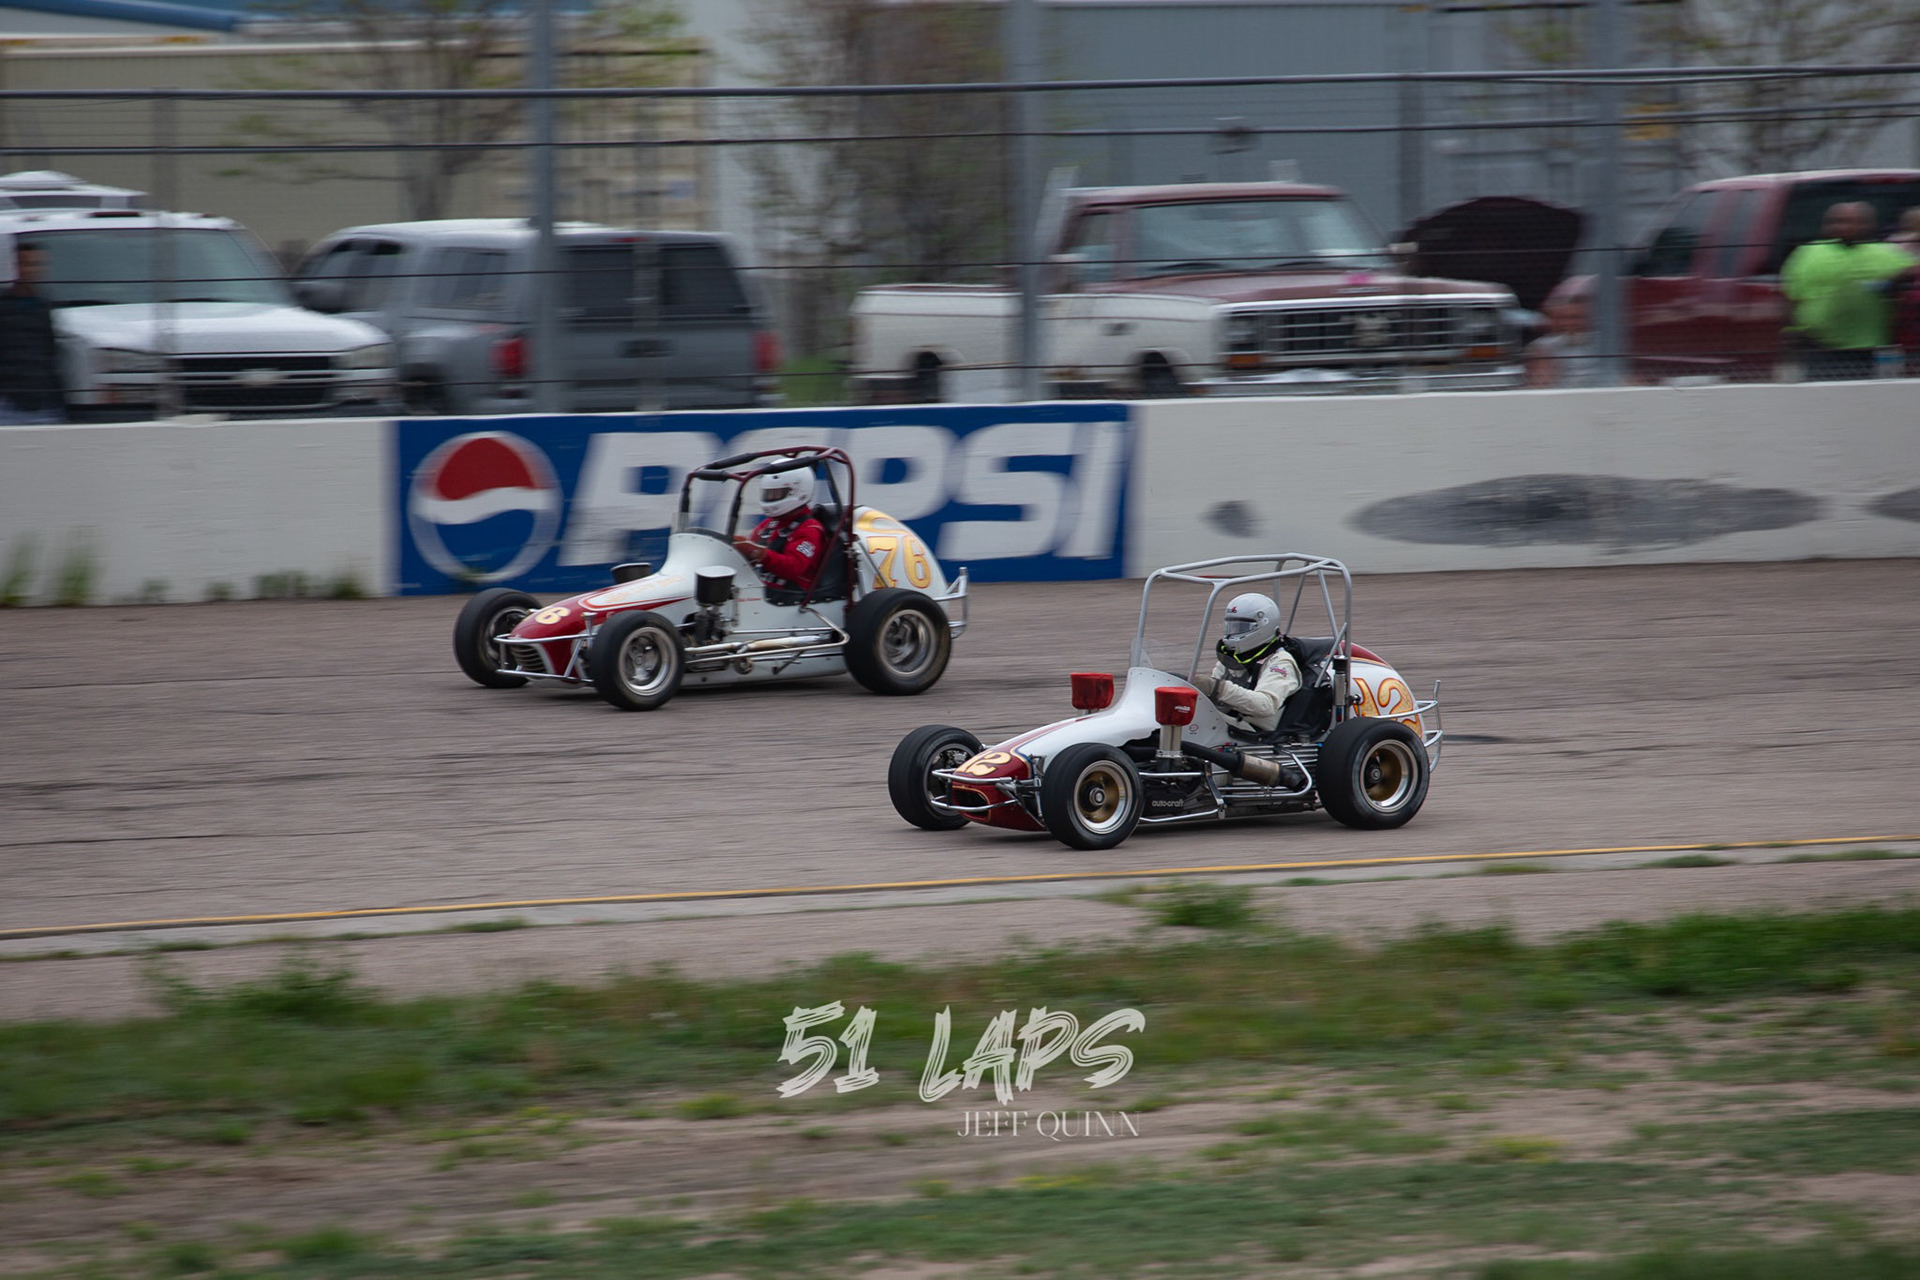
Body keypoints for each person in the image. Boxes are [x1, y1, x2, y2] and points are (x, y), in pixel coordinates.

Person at [1781, 202, 1915, 381]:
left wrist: (1896, 280)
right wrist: (1791, 331)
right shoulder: (1808, 253)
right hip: (1819, 344)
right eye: (1836, 221)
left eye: (1851, 221)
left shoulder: (1884, 253)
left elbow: (1910, 272)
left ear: (1867, 225)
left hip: (1866, 347)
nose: (1842, 227)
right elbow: (1790, 295)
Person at [1188, 592, 1303, 738]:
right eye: (1231, 627)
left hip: (1256, 732)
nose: (1233, 633)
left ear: (1264, 626)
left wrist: (1219, 688)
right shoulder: (1232, 657)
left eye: (1240, 627)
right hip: (1231, 721)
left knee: (1193, 721)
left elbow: (1265, 705)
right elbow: (1213, 697)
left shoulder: (1279, 662)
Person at [731, 456, 829, 595]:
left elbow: (793, 567)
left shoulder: (810, 529)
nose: (771, 498)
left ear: (798, 491)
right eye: (768, 493)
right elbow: (750, 555)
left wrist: (758, 553)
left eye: (776, 494)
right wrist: (738, 547)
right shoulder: (769, 524)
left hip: (790, 597)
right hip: (759, 592)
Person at [0, 241, 68, 425]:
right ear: (16, 267)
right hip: (9, 403)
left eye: (38, 264)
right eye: (27, 264)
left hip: (44, 402)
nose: (33, 270)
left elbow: (50, 353)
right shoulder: (4, 305)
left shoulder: (44, 306)